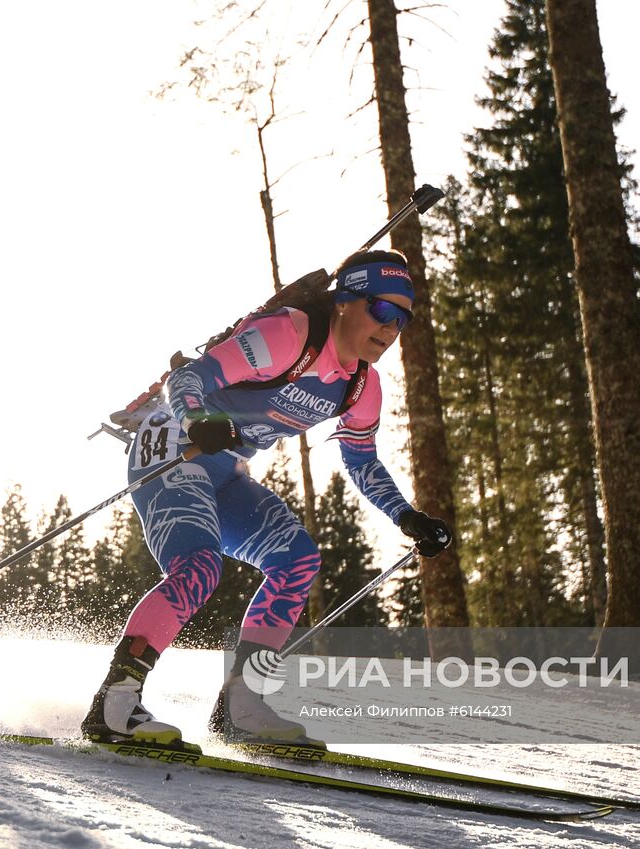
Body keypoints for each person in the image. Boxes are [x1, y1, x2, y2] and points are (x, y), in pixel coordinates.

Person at [82, 250, 453, 746]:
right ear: (346, 302)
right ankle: (116, 703)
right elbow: (187, 378)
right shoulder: (289, 336)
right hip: (174, 441)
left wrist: (407, 517)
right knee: (199, 568)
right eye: (383, 311)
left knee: (297, 559)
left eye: (402, 319)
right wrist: (196, 418)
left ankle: (242, 703)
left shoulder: (363, 387)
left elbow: (361, 460)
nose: (392, 328)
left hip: (226, 467)